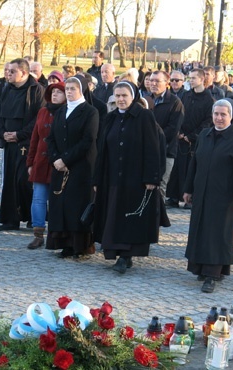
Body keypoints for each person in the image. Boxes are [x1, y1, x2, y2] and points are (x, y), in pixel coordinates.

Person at [183, 99, 233, 293]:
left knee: (218, 234)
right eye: (216, 114)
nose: (219, 118)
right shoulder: (205, 134)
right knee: (201, 230)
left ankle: (212, 274)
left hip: (225, 195)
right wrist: (188, 189)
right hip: (202, 192)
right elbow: (194, 163)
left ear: (231, 116)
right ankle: (200, 267)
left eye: (223, 114)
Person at [93, 81, 161, 274]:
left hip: (135, 177)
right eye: (118, 96)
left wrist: (151, 178)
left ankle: (126, 256)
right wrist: (97, 179)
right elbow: (102, 150)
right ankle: (116, 251)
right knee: (113, 214)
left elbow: (152, 148)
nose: (121, 99)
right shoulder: (111, 117)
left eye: (125, 95)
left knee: (129, 217)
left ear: (133, 97)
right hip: (112, 175)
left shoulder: (145, 116)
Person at [47, 77, 99, 258]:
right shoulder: (61, 111)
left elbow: (88, 140)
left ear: (82, 90)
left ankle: (80, 246)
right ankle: (64, 243)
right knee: (61, 205)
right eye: (67, 89)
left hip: (81, 167)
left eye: (73, 89)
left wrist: (66, 160)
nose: (68, 92)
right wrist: (55, 159)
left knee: (76, 206)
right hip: (60, 166)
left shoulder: (90, 112)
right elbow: (51, 137)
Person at [0, 58, 45, 230]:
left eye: (12, 71)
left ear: (23, 73)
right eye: (8, 71)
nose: (8, 74)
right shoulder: (6, 89)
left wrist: (19, 135)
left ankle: (32, 217)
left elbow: (38, 119)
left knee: (24, 180)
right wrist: (2, 133)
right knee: (9, 181)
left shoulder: (37, 90)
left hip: (27, 143)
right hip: (9, 142)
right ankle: (11, 219)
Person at [166, 69, 215, 208]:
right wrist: (180, 132)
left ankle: (190, 198)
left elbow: (208, 121)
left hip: (195, 140)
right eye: (190, 78)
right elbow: (179, 113)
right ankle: (174, 196)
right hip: (181, 138)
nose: (191, 80)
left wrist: (192, 136)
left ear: (201, 79)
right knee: (177, 169)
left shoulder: (208, 99)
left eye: (194, 78)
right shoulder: (186, 95)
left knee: (191, 169)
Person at [25, 82, 66, 249]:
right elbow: (34, 138)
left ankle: (56, 234)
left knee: (57, 200)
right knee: (38, 198)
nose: (55, 95)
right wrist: (30, 161)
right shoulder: (43, 111)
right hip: (40, 162)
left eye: (59, 92)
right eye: (53, 92)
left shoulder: (66, 112)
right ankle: (38, 234)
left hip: (59, 163)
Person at [149, 71, 185, 198]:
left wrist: (152, 138)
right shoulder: (147, 100)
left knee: (160, 187)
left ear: (167, 83)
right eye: (151, 80)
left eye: (157, 81)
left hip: (166, 151)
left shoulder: (175, 102)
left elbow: (173, 129)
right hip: (146, 150)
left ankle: (159, 216)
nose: (153, 83)